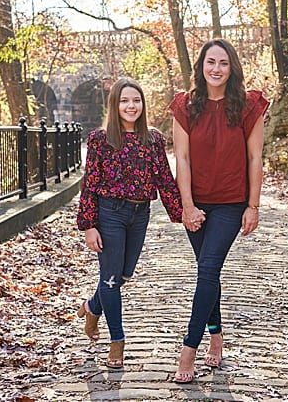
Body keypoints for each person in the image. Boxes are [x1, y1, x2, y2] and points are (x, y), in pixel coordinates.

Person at [169, 38, 269, 383]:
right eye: (210, 62)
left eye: (223, 63)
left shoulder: (247, 105)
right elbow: (180, 157)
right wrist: (187, 206)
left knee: (208, 268)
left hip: (230, 201)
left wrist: (253, 206)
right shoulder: (185, 106)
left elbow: (256, 157)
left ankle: (188, 350)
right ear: (201, 66)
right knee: (206, 273)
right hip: (196, 202)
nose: (216, 69)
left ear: (232, 67)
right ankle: (216, 334)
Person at [76, 77, 182, 369]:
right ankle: (117, 341)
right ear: (115, 104)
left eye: (136, 100)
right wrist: (88, 225)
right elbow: (90, 184)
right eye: (124, 100)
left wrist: (183, 213)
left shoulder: (154, 139)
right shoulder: (100, 138)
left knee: (123, 276)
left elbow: (164, 180)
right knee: (110, 278)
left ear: (143, 104)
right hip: (110, 213)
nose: (131, 106)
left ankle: (92, 307)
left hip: (140, 215)